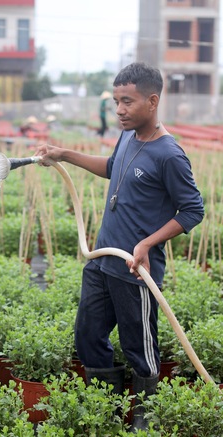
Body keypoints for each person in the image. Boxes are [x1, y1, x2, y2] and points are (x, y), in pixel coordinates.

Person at [35, 62, 204, 432]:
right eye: (116, 102)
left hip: (135, 269)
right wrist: (65, 155)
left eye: (127, 102)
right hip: (102, 260)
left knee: (138, 346)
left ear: (152, 101)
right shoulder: (127, 136)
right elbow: (113, 166)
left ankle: (144, 415)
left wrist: (147, 242)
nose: (119, 110)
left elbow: (193, 210)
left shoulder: (169, 154)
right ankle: (107, 408)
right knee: (88, 334)